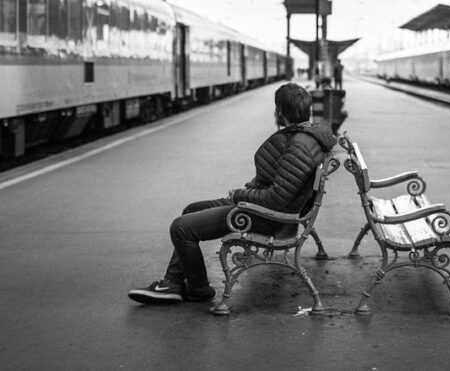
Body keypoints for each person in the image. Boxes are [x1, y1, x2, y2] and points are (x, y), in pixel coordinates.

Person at [128, 82, 337, 304]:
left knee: (180, 228)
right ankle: (173, 282)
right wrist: (250, 190)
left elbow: (276, 199)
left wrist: (239, 195)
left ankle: (198, 289)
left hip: (267, 218)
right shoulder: (307, 137)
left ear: (280, 112)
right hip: (268, 211)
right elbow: (282, 187)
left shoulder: (299, 145)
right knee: (191, 210)